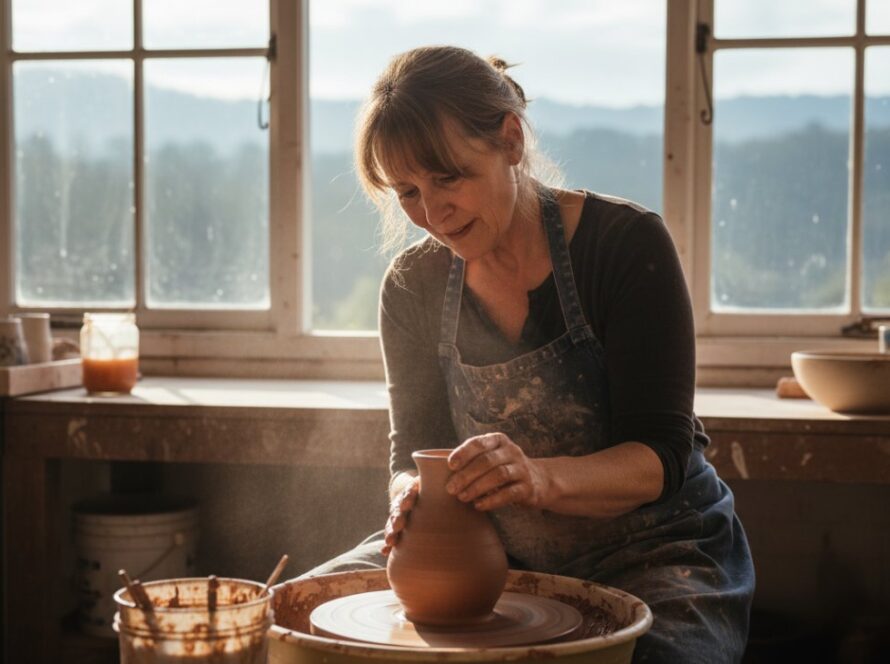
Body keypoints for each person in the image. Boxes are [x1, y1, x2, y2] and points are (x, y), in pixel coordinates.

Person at [303, 45, 755, 663]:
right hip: (497, 553)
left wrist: (538, 477)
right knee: (287, 623)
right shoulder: (413, 287)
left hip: (661, 551)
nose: (432, 214)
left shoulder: (624, 246)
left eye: (448, 178)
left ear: (511, 140)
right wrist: (409, 494)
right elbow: (413, 446)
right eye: (407, 191)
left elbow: (661, 456)